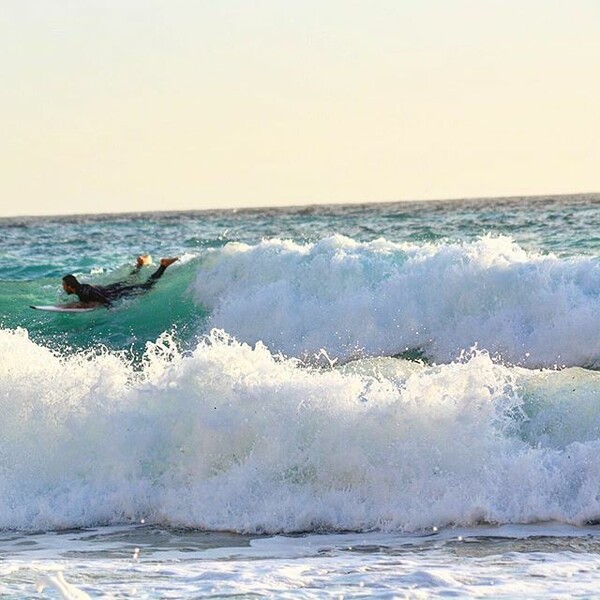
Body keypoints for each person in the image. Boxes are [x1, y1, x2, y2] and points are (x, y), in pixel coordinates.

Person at [61, 255, 178, 307]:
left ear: (71, 287)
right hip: (112, 288)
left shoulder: (83, 292)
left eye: (64, 285)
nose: (63, 287)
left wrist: (111, 307)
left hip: (116, 292)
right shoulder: (82, 288)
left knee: (147, 286)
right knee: (129, 279)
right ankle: (139, 265)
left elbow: (100, 297)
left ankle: (163, 265)